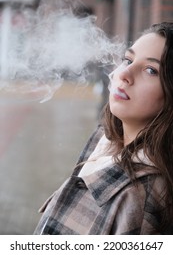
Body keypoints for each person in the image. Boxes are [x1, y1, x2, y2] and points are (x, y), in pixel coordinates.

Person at [34, 22, 173, 235]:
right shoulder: (104, 141)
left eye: (151, 70)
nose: (124, 73)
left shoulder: (140, 199)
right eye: (128, 60)